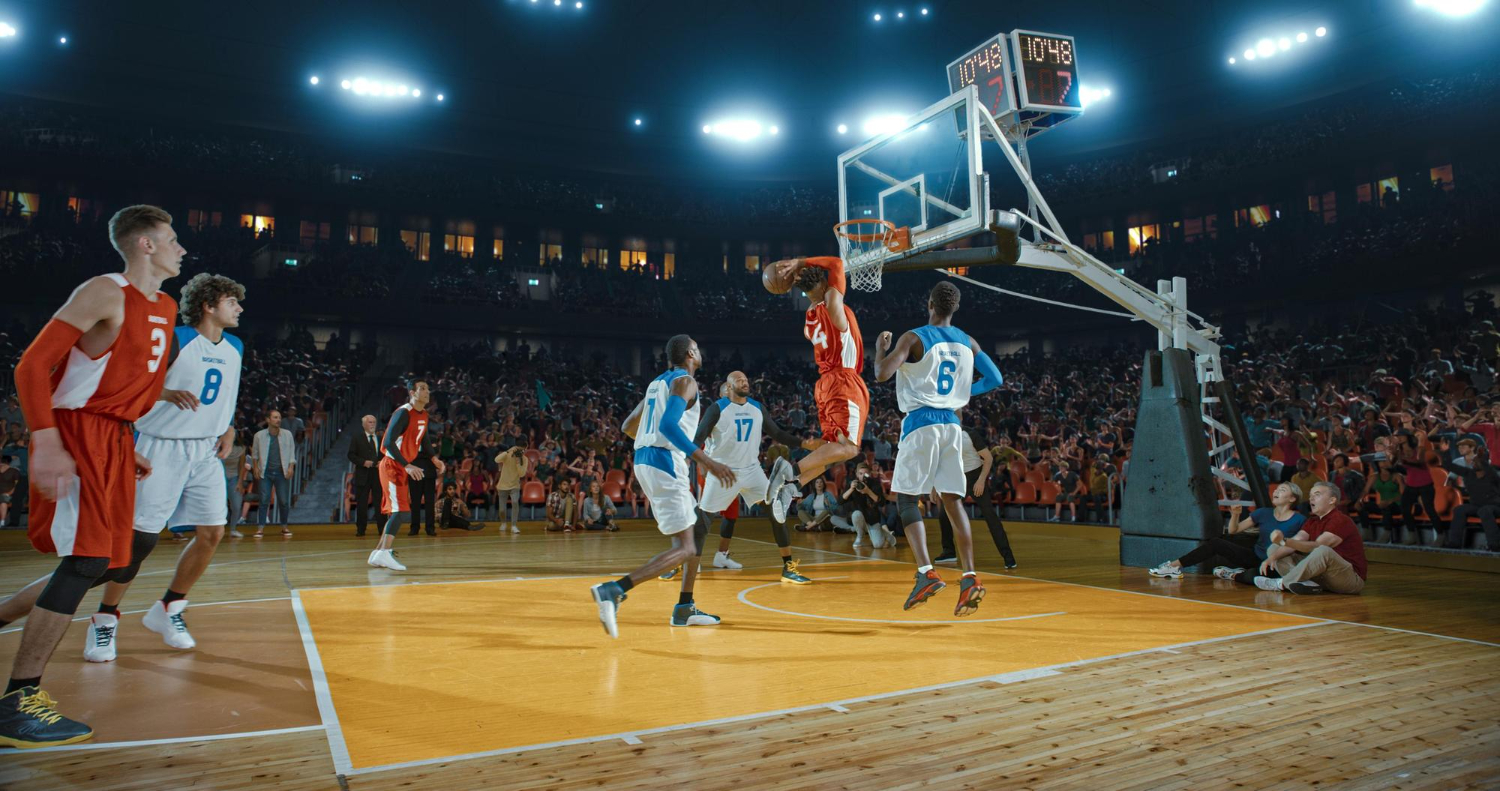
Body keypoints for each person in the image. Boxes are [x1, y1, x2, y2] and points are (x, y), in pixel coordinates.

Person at [0, 205, 183, 748]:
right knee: (85, 561)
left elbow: (136, 382)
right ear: (145, 245)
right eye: (172, 239)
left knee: (118, 560)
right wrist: (46, 437)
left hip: (114, 438)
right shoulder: (104, 292)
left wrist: (126, 446)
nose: (181, 248)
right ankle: (19, 699)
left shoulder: (167, 304)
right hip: (75, 431)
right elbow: (31, 366)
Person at [76, 273, 245, 659]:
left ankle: (169, 607)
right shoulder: (177, 339)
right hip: (160, 446)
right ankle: (105, 618)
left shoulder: (235, 345)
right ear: (209, 305)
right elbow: (128, 380)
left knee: (212, 533)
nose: (239, 307)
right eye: (232, 301)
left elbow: (226, 393)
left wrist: (229, 428)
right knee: (138, 542)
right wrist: (165, 392)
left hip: (205, 451)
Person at [589, 335, 736, 638]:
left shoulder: (657, 383)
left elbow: (629, 425)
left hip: (647, 459)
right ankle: (614, 590)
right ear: (691, 353)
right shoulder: (686, 382)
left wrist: (650, 445)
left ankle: (685, 607)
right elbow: (668, 426)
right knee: (687, 547)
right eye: (698, 347)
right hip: (665, 462)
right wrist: (706, 461)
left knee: (690, 533)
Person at [872, 281, 1004, 615]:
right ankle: (970, 576)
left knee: (905, 499)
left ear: (930, 303)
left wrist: (879, 349)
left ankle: (926, 572)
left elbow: (882, 374)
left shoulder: (913, 337)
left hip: (922, 424)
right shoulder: (968, 341)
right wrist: (962, 393)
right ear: (954, 308)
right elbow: (996, 379)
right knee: (952, 500)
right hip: (952, 426)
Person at [763, 257, 870, 522]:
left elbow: (825, 282)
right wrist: (800, 262)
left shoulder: (809, 318)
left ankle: (790, 489)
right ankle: (790, 469)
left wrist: (802, 274)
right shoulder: (833, 305)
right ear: (825, 284)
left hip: (824, 384)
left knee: (829, 449)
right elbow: (835, 263)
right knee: (850, 449)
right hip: (843, 381)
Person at [692, 371, 818, 582]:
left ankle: (788, 568)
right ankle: (685, 563)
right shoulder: (717, 409)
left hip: (752, 471)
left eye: (746, 380)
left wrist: (804, 444)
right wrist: (703, 463)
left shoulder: (757, 407)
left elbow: (777, 434)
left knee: (776, 513)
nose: (745, 382)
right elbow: (697, 440)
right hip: (724, 472)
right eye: (739, 380)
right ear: (729, 387)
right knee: (703, 521)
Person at [1148, 482, 1307, 583]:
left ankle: (1234, 574)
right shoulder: (1263, 513)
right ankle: (1173, 566)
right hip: (1255, 557)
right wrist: (1235, 515)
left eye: (1282, 490)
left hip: (1276, 562)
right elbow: (1234, 530)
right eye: (1276, 489)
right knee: (1217, 543)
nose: (1276, 491)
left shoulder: (1299, 520)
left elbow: (1299, 545)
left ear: (1292, 499)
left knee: (1253, 578)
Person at [369, 380, 445, 571]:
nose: (427, 392)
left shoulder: (424, 414)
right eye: (422, 388)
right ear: (412, 392)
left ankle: (378, 554)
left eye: (428, 389)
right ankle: (385, 554)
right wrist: (407, 465)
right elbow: (387, 442)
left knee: (398, 511)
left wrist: (434, 459)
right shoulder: (403, 412)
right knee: (401, 512)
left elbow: (424, 437)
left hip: (400, 467)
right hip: (392, 466)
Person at [1252, 481, 1368, 595]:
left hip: (1350, 579)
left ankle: (1282, 583)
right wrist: (1272, 556)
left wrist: (1284, 540)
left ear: (1332, 500)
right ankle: (1306, 584)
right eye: (1310, 495)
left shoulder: (1341, 520)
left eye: (1317, 495)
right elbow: (1296, 541)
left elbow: (1316, 546)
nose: (1311, 498)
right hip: (1323, 578)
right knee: (1274, 548)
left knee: (1323, 551)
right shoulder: (1312, 521)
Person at [935, 417, 1018, 569]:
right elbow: (939, 462)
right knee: (943, 514)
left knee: (990, 516)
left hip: (975, 477)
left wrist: (981, 480)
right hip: (957, 479)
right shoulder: (942, 437)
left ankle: (1008, 557)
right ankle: (949, 552)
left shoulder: (970, 433)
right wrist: (935, 487)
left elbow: (988, 458)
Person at [1438, 437, 1500, 550]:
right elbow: (1449, 466)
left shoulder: (1492, 475)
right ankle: (1454, 543)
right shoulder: (1469, 473)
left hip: (1495, 507)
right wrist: (1446, 452)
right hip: (1477, 506)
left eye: (1476, 461)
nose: (1473, 463)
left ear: (1483, 463)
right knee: (1459, 509)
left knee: (1485, 510)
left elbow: (1488, 468)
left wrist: (1482, 457)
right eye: (1473, 461)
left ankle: (1495, 545)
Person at [250, 409, 295, 537]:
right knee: (264, 500)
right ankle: (260, 528)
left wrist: (291, 467)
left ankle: (284, 526)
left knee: (283, 501)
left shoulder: (287, 434)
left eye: (279, 417)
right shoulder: (259, 435)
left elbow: (292, 453)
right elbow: (255, 454)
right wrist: (256, 468)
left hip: (282, 472)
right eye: (275, 417)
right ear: (268, 420)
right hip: (266, 472)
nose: (278, 420)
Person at [838, 461, 899, 549]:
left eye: (865, 474)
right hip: (859, 516)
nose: (863, 476)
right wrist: (851, 489)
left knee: (878, 545)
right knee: (856, 514)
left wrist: (868, 491)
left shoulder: (875, 484)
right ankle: (860, 536)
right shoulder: (852, 484)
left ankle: (884, 533)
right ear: (857, 474)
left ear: (869, 474)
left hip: (872, 518)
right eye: (860, 473)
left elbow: (881, 503)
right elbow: (840, 501)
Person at [347, 414, 381, 536]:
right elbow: (351, 455)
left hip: (378, 475)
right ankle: (361, 530)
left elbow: (386, 454)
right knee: (362, 504)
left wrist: (382, 463)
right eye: (370, 422)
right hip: (363, 474)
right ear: (364, 424)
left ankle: (382, 530)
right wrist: (363, 462)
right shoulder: (357, 437)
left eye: (374, 422)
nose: (372, 424)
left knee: (380, 503)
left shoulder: (381, 437)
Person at [1359, 461, 1404, 540]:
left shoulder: (1397, 476)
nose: (1384, 463)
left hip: (1397, 505)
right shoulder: (1375, 476)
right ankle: (1366, 531)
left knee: (1387, 508)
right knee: (1363, 507)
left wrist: (1390, 501)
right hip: (1383, 504)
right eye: (1382, 461)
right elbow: (1365, 491)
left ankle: (1387, 532)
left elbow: (1403, 495)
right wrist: (1359, 501)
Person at [493, 444, 528, 533]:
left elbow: (522, 474)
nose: (521, 452)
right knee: (502, 509)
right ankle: (503, 523)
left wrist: (517, 462)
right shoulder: (507, 455)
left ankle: (514, 525)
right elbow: (496, 460)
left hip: (515, 485)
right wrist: (508, 451)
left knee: (515, 502)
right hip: (502, 486)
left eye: (523, 450)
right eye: (519, 450)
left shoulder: (524, 459)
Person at [0, 455, 18, 526]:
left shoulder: (14, 471)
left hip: (8, 493)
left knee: (3, 500)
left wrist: (9, 493)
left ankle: (2, 522)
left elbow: (16, 485)